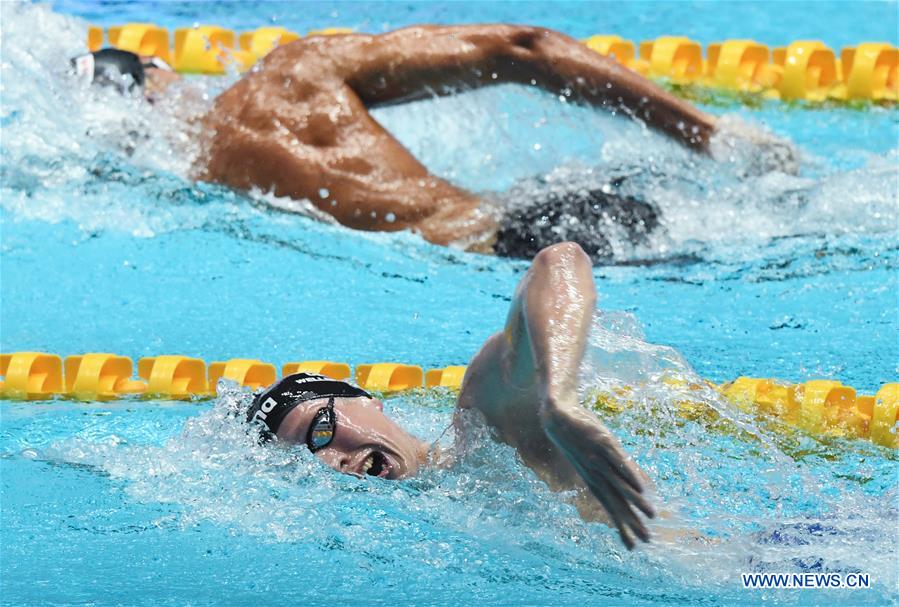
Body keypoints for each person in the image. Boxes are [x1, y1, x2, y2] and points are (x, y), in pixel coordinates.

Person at [244, 241, 656, 550]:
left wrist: (558, 401)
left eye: (320, 431)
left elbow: (560, 262)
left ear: (367, 399)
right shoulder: (426, 523)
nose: (332, 463)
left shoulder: (487, 425)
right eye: (307, 461)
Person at [201, 24, 720, 261]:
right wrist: (707, 133)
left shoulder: (202, 166)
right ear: (155, 70)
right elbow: (521, 47)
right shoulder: (294, 72)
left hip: (500, 251)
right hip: (541, 225)